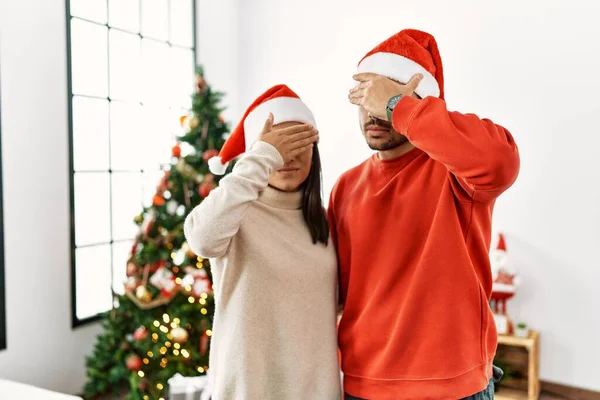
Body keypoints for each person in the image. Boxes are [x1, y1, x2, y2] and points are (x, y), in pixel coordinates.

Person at [329, 29, 520, 399]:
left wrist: (397, 107)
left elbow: (502, 161)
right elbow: (337, 289)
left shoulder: (455, 170)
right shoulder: (346, 186)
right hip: (364, 383)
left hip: (451, 387)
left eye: (386, 95)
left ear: (419, 100)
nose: (373, 110)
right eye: (367, 95)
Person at [184, 85, 341, 400]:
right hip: (247, 391)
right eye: (277, 145)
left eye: (298, 142)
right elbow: (201, 238)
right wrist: (261, 158)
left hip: (315, 391)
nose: (288, 157)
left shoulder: (325, 220)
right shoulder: (235, 212)